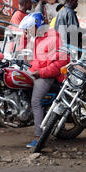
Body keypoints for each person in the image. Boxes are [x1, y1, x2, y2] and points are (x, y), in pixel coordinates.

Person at [18, 12, 70, 148]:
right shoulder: (36, 38)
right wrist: (24, 38)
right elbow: (24, 53)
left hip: (46, 74)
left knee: (35, 101)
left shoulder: (53, 38)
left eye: (30, 29)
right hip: (35, 70)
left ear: (38, 26)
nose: (28, 32)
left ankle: (38, 137)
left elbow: (59, 64)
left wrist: (41, 72)